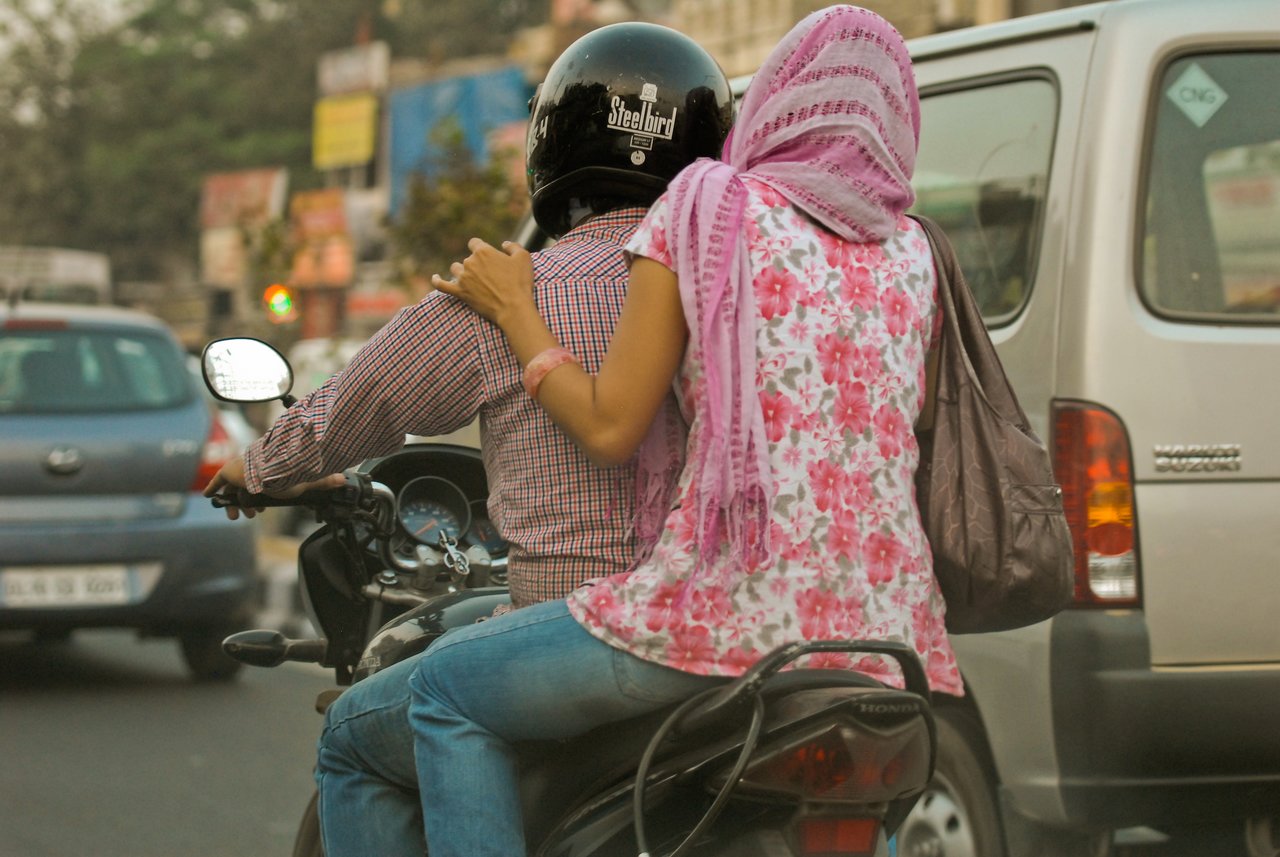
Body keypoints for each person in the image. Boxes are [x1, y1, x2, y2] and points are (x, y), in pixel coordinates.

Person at [425, 5, 963, 855]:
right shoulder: (915, 252)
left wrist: (519, 312)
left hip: (726, 620)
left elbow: (610, 427)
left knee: (443, 694)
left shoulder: (709, 202)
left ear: (776, 99)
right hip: (888, 641)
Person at [202, 21, 734, 857]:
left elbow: (360, 404)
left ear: (552, 146)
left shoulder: (508, 292)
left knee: (354, 734)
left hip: (586, 628)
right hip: (736, 624)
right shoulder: (750, 284)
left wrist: (258, 466)